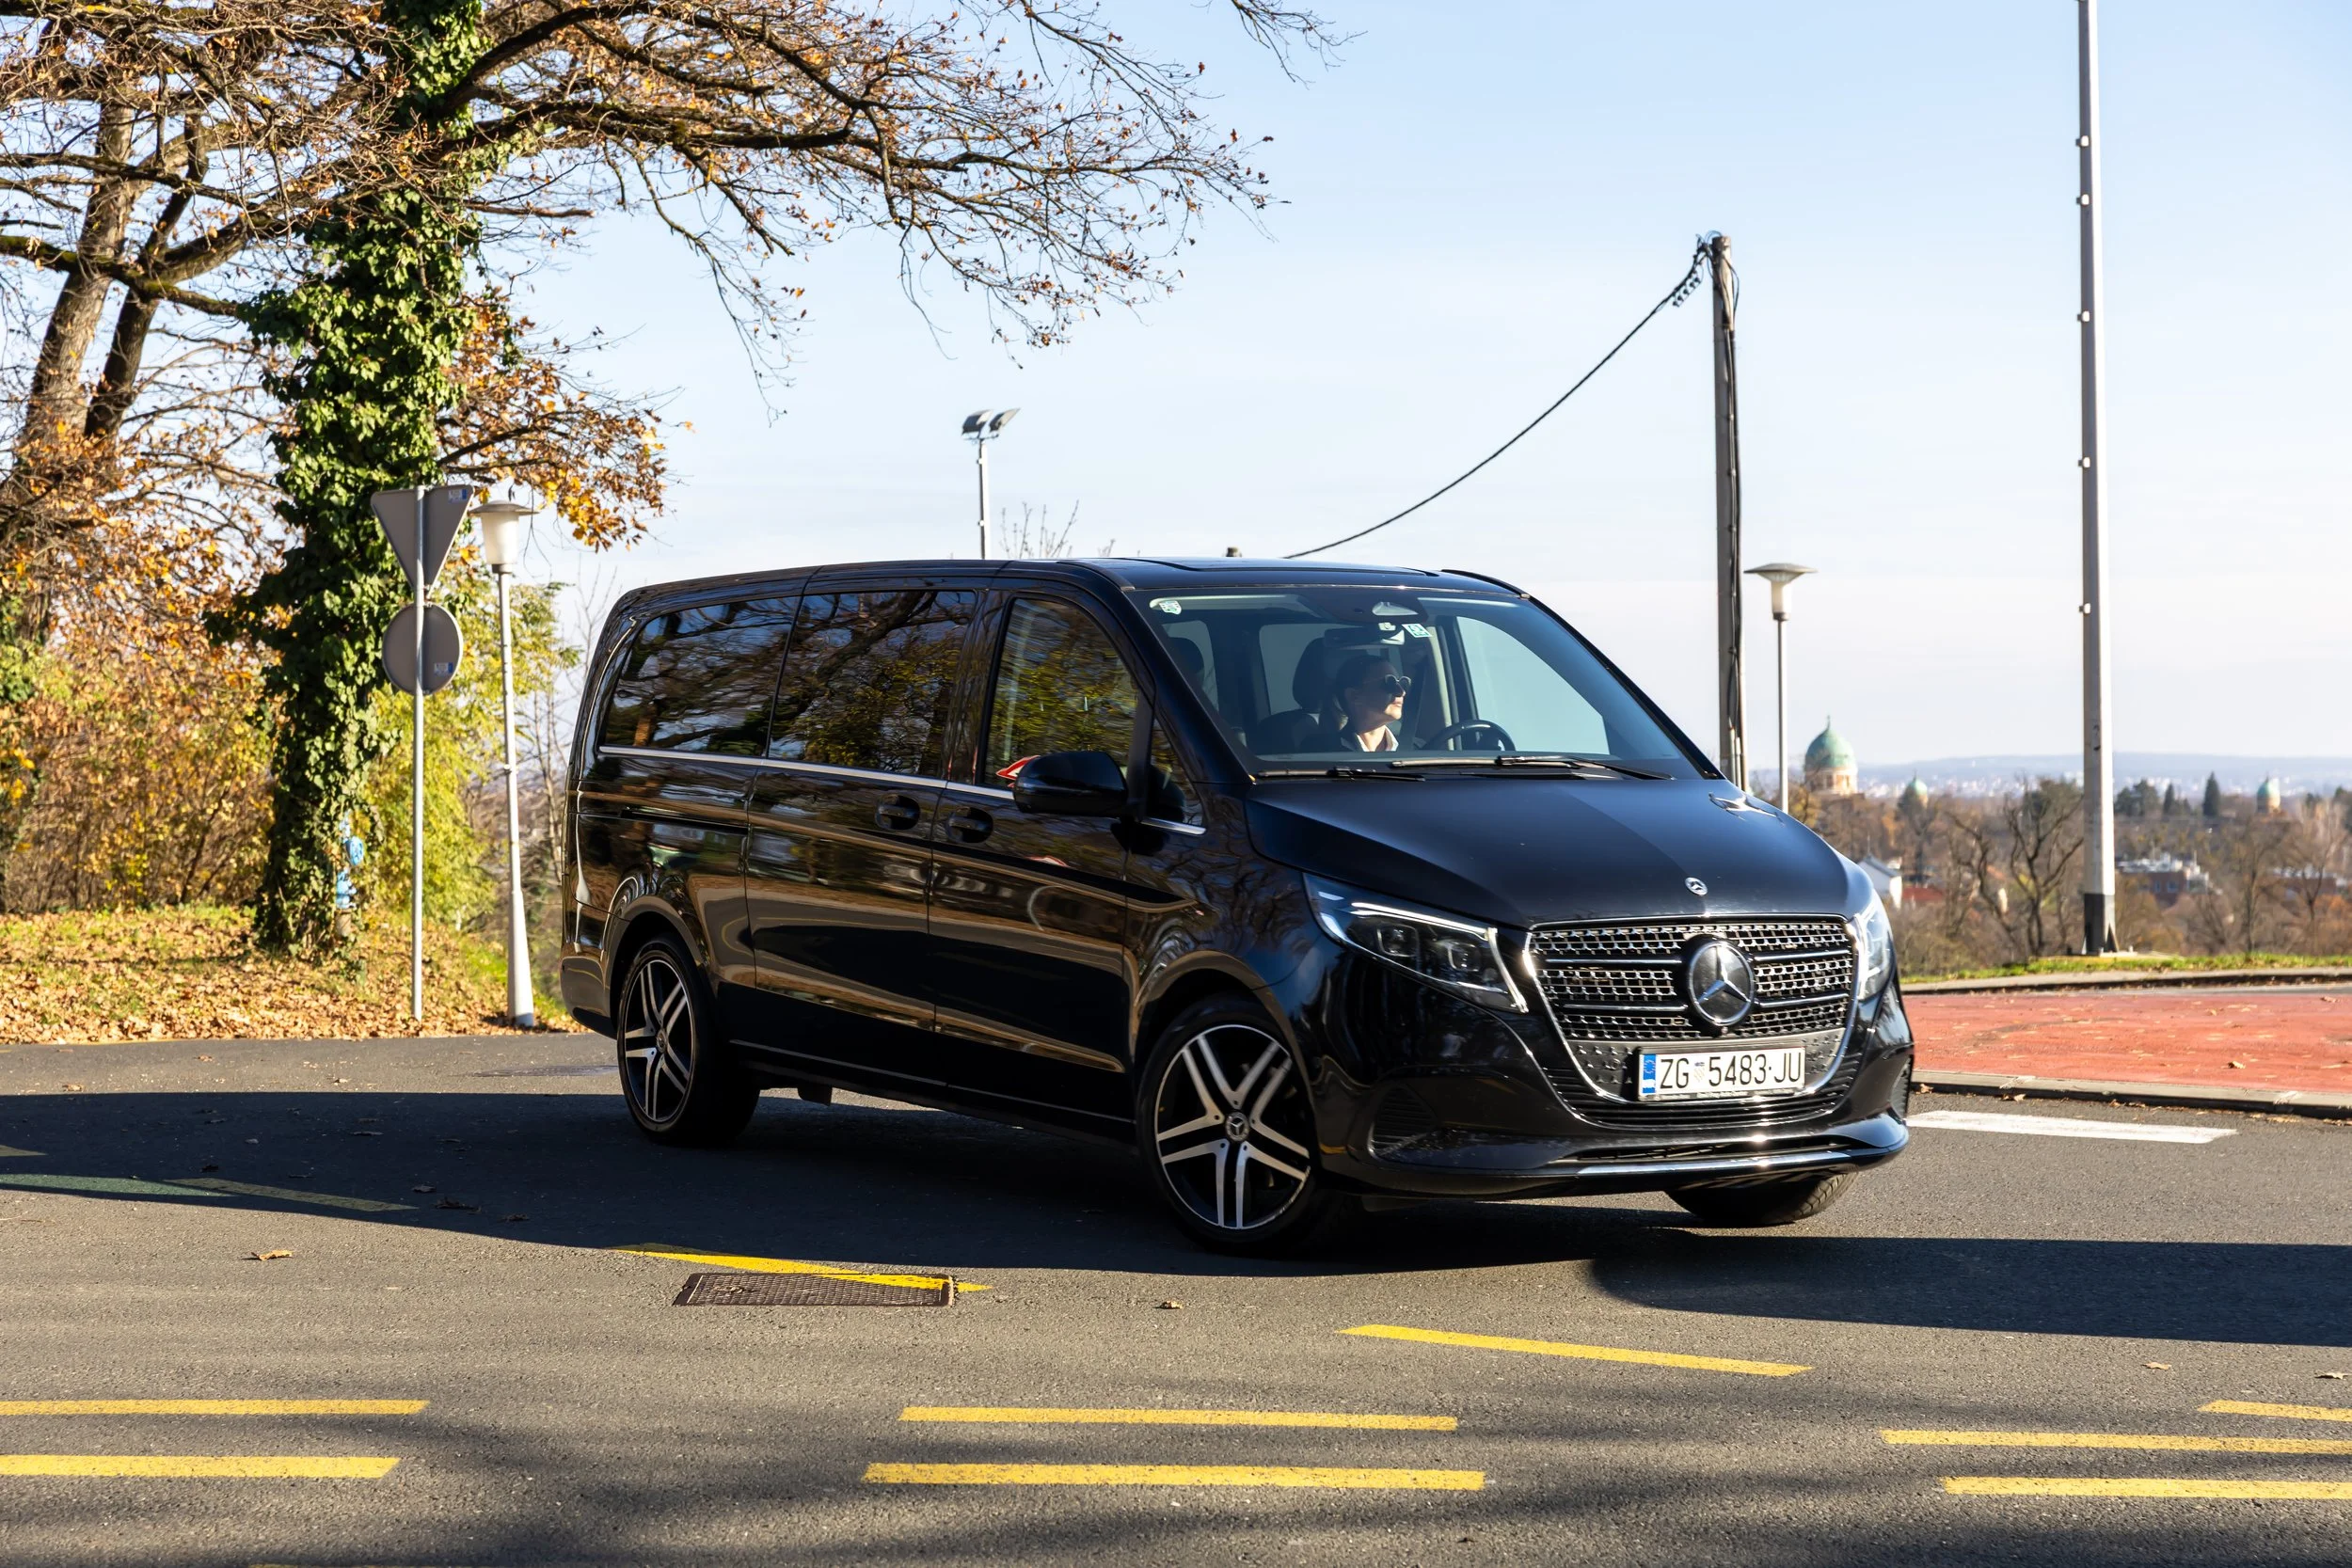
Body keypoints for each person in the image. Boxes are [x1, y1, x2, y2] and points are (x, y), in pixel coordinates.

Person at [1326, 651, 1410, 752]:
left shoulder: (1417, 750)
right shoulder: (1321, 753)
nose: (1401, 692)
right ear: (1354, 695)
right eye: (1389, 683)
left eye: (1402, 683)